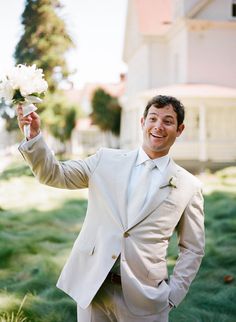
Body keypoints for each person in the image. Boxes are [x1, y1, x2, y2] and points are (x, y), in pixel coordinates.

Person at [17, 95, 205, 322]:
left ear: (180, 129)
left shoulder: (189, 186)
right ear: (142, 122)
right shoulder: (104, 160)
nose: (158, 126)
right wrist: (34, 136)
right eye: (153, 118)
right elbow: (53, 174)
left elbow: (193, 248)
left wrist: (173, 294)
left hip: (146, 296)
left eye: (167, 121)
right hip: (93, 287)